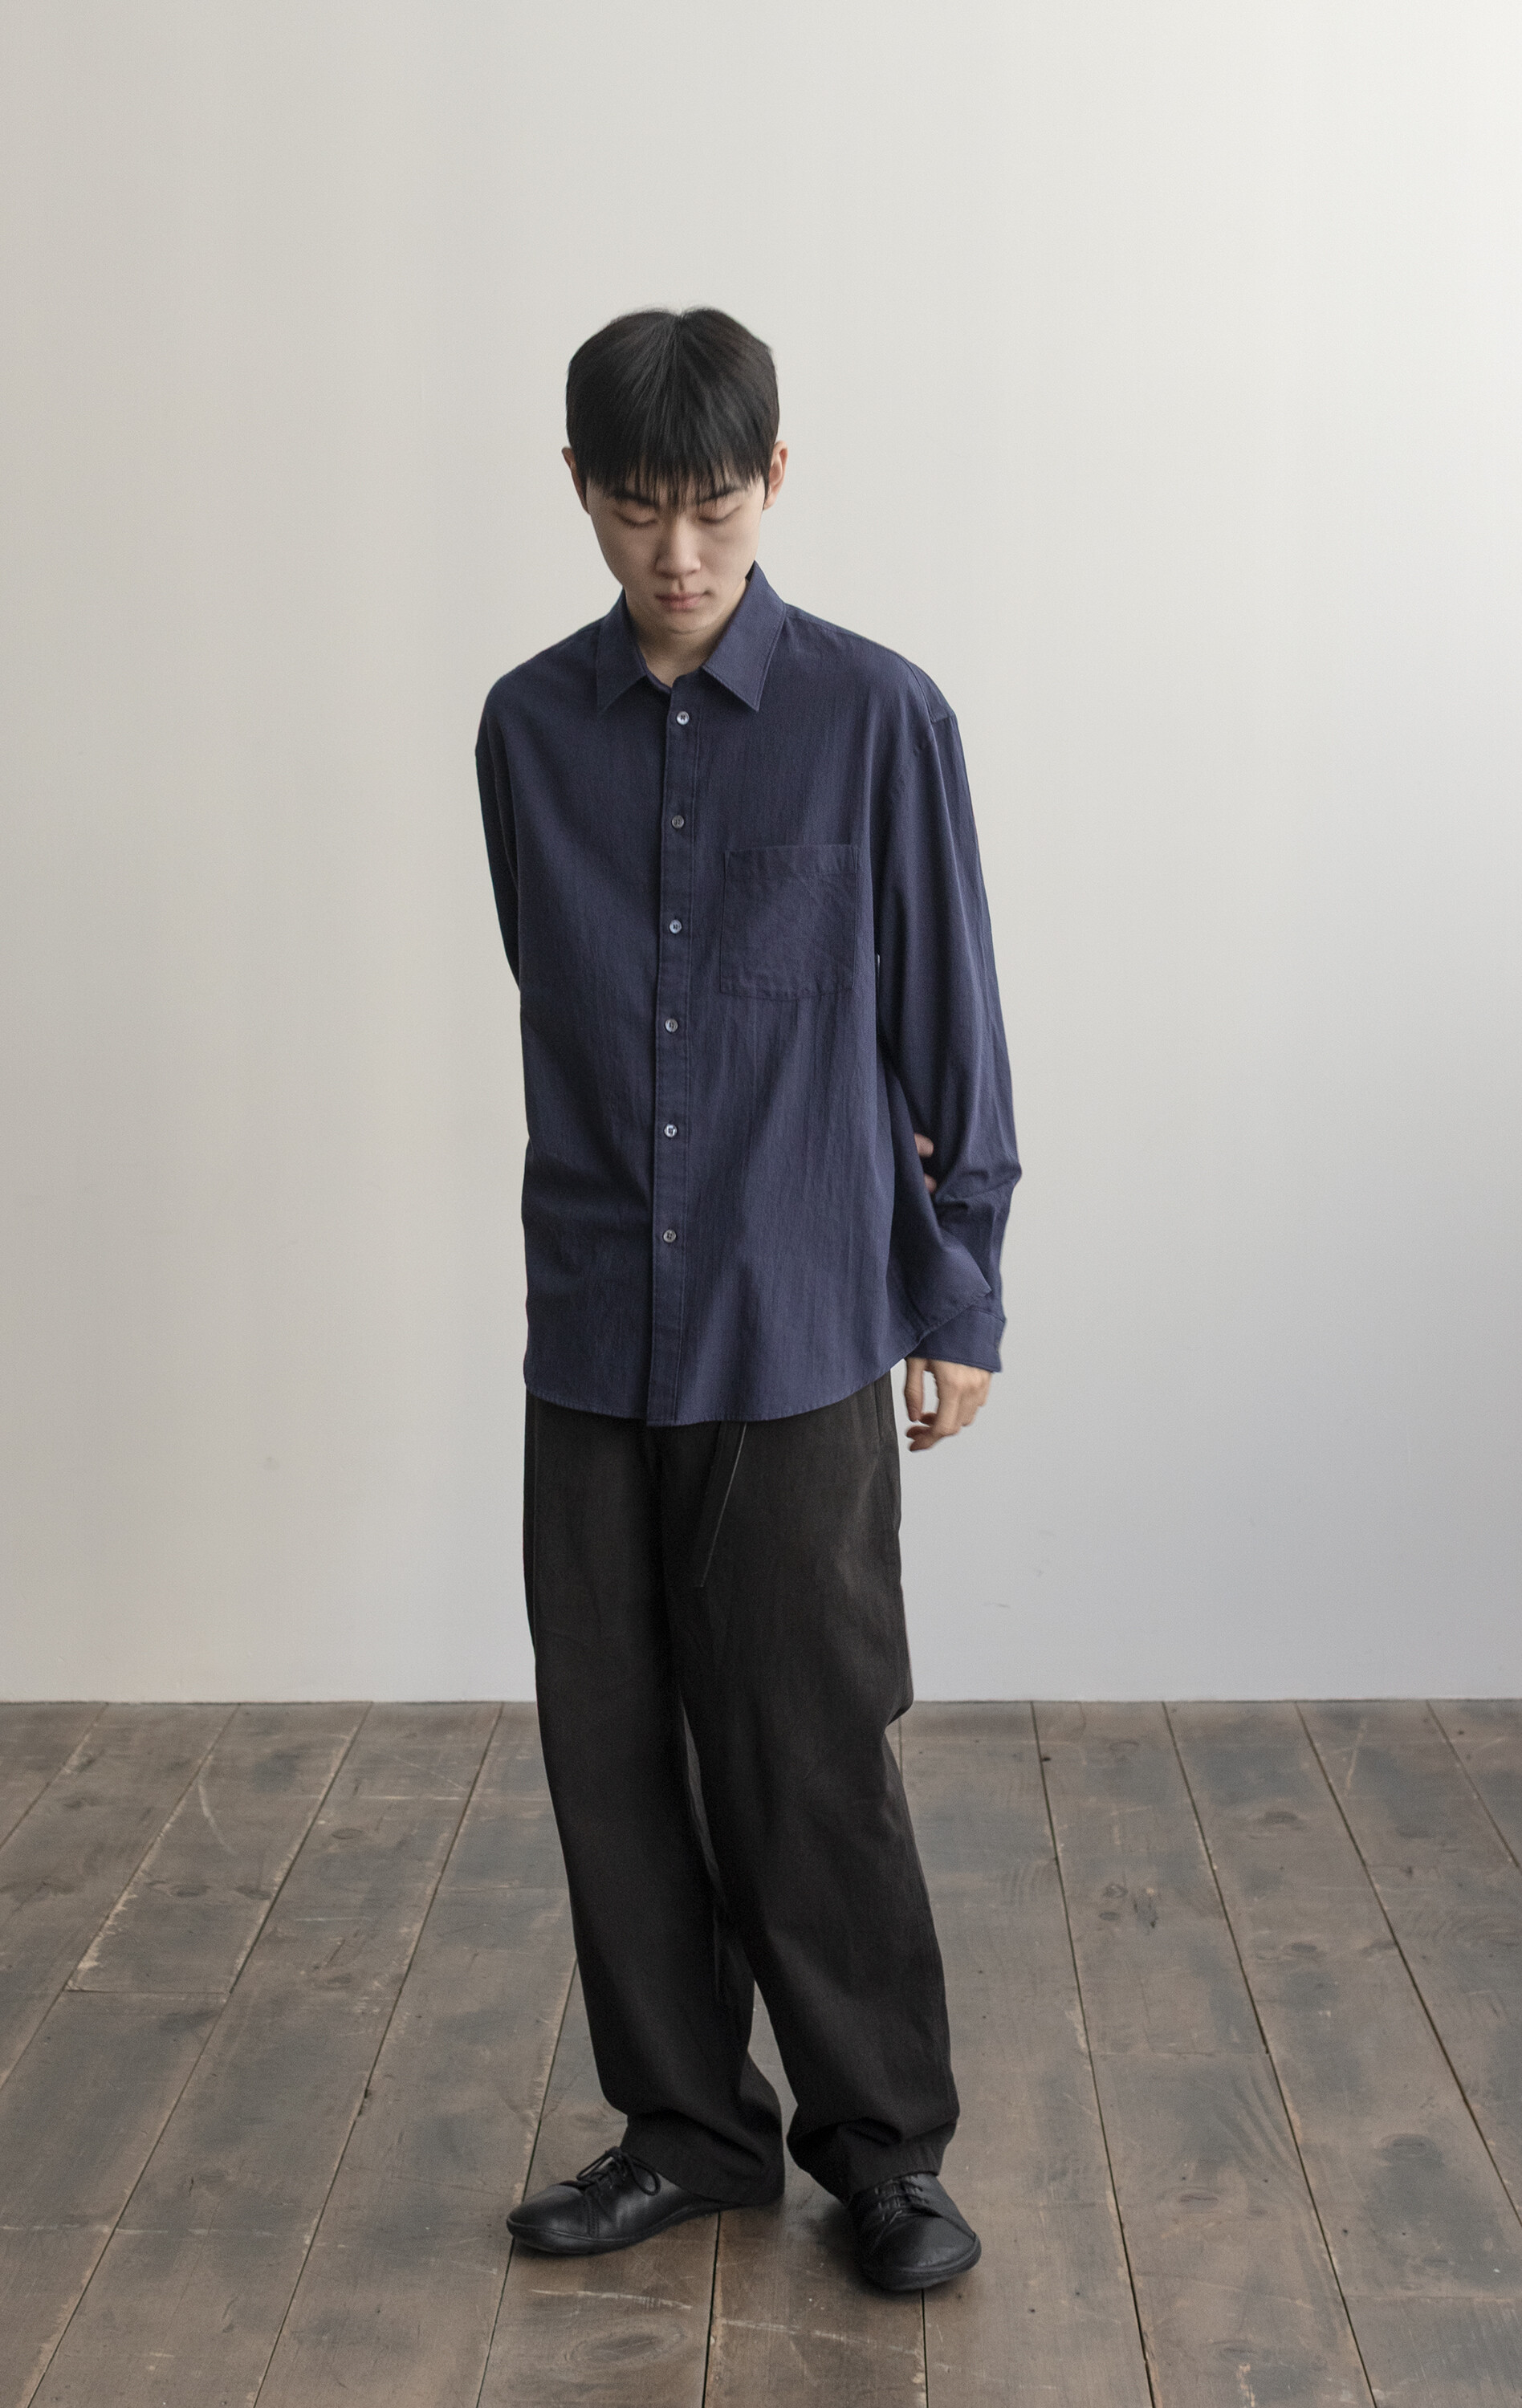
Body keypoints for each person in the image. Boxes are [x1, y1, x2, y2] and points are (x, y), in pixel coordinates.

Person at [475, 307, 1019, 2292]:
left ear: (773, 480)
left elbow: (949, 1032)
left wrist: (958, 1293)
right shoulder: (525, 731)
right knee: (614, 1754)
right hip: (594, 1320)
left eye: (713, 505)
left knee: (806, 1752)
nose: (679, 552)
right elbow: (558, 1001)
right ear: (581, 493)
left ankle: (884, 2149)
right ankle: (689, 2133)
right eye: (637, 509)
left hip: (798, 1325)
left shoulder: (881, 719)